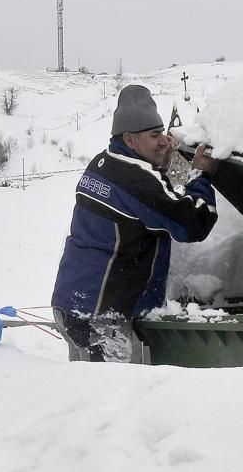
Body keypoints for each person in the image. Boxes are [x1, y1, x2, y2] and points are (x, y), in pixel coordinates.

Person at [51, 84, 220, 362]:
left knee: (88, 390)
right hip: (102, 317)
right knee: (113, 398)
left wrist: (158, 169)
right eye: (155, 135)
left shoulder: (102, 163)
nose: (165, 141)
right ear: (130, 140)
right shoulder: (136, 180)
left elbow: (144, 206)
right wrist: (200, 174)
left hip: (72, 302)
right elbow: (192, 225)